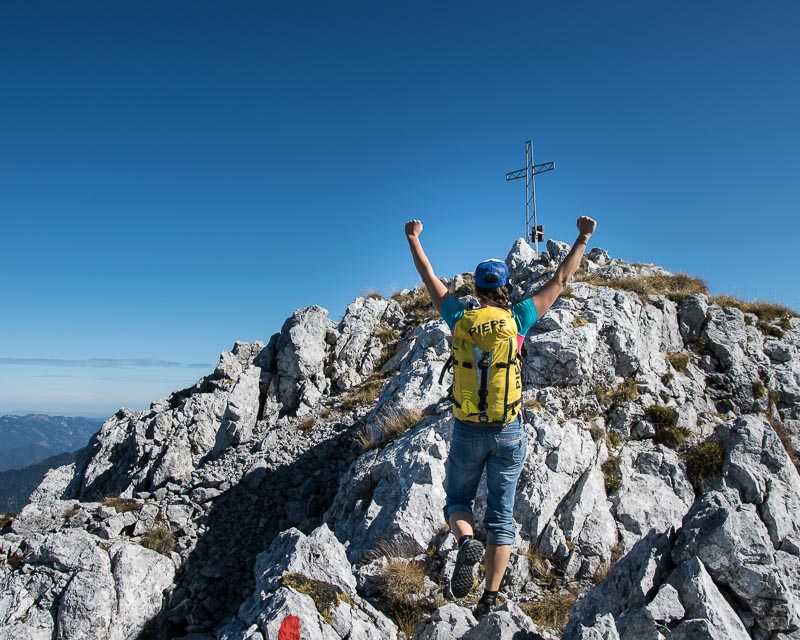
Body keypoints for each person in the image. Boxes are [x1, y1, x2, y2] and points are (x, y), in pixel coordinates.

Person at [404, 215, 597, 618]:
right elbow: (560, 281)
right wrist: (582, 238)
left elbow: (428, 276)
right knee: (501, 515)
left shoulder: (458, 317)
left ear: (476, 289)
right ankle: (489, 599)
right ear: (506, 288)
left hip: (468, 429)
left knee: (457, 500)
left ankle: (463, 542)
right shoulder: (519, 317)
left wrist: (414, 239)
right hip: (509, 430)